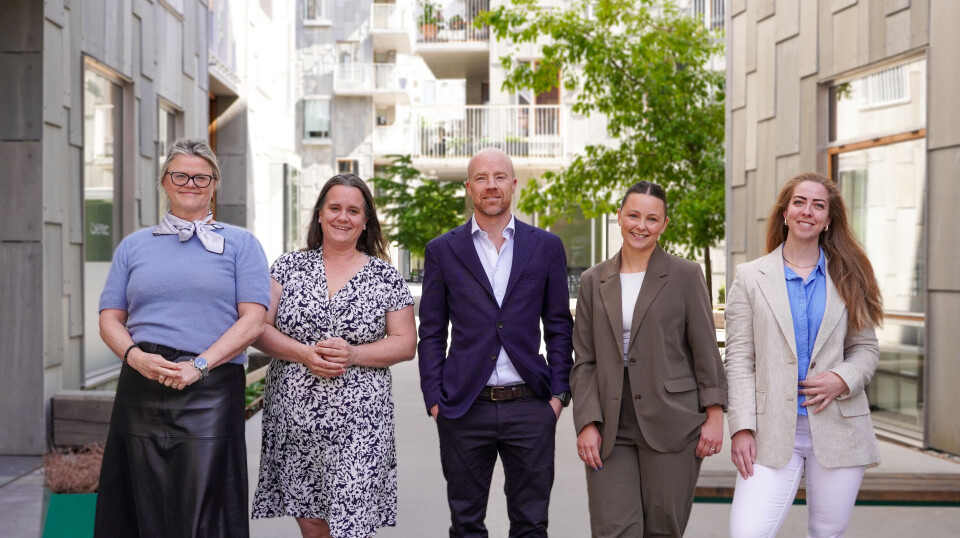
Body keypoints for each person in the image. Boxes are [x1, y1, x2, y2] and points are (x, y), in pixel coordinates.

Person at [94, 139, 270, 537]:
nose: (190, 182)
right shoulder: (133, 246)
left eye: (201, 176)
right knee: (138, 500)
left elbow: (254, 320)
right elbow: (109, 318)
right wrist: (134, 357)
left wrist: (200, 365)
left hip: (211, 385)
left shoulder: (243, 244)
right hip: (141, 382)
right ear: (164, 181)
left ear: (214, 184)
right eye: (180, 175)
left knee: (205, 506)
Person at [418, 148, 574, 537]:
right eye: (482, 178)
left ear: (514, 185)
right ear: (469, 187)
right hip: (464, 408)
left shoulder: (546, 247)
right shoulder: (442, 250)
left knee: (531, 524)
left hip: (530, 406)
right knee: (466, 524)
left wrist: (557, 395)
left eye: (500, 177)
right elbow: (432, 331)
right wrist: (435, 399)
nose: (492, 185)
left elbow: (558, 325)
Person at [251, 174, 417, 538]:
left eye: (353, 210)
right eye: (335, 208)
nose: (343, 217)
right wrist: (303, 353)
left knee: (352, 523)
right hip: (293, 417)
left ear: (365, 220)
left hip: (360, 421)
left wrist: (354, 353)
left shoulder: (385, 277)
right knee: (312, 523)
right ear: (321, 215)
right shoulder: (286, 268)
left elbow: (406, 343)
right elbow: (257, 328)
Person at [725, 172, 883, 537]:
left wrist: (842, 378)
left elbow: (865, 349)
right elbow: (739, 361)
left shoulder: (850, 275)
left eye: (818, 205)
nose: (807, 211)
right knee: (747, 533)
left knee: (826, 533)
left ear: (829, 219)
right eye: (799, 202)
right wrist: (742, 428)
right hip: (769, 432)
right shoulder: (750, 276)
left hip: (839, 427)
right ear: (785, 212)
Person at [570, 181, 726, 537]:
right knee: (614, 530)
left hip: (672, 419)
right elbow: (585, 361)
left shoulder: (685, 275)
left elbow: (705, 349)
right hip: (610, 423)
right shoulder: (594, 281)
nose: (641, 225)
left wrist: (715, 416)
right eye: (634, 215)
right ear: (619, 218)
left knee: (663, 529)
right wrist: (587, 422)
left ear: (664, 224)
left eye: (652, 219)